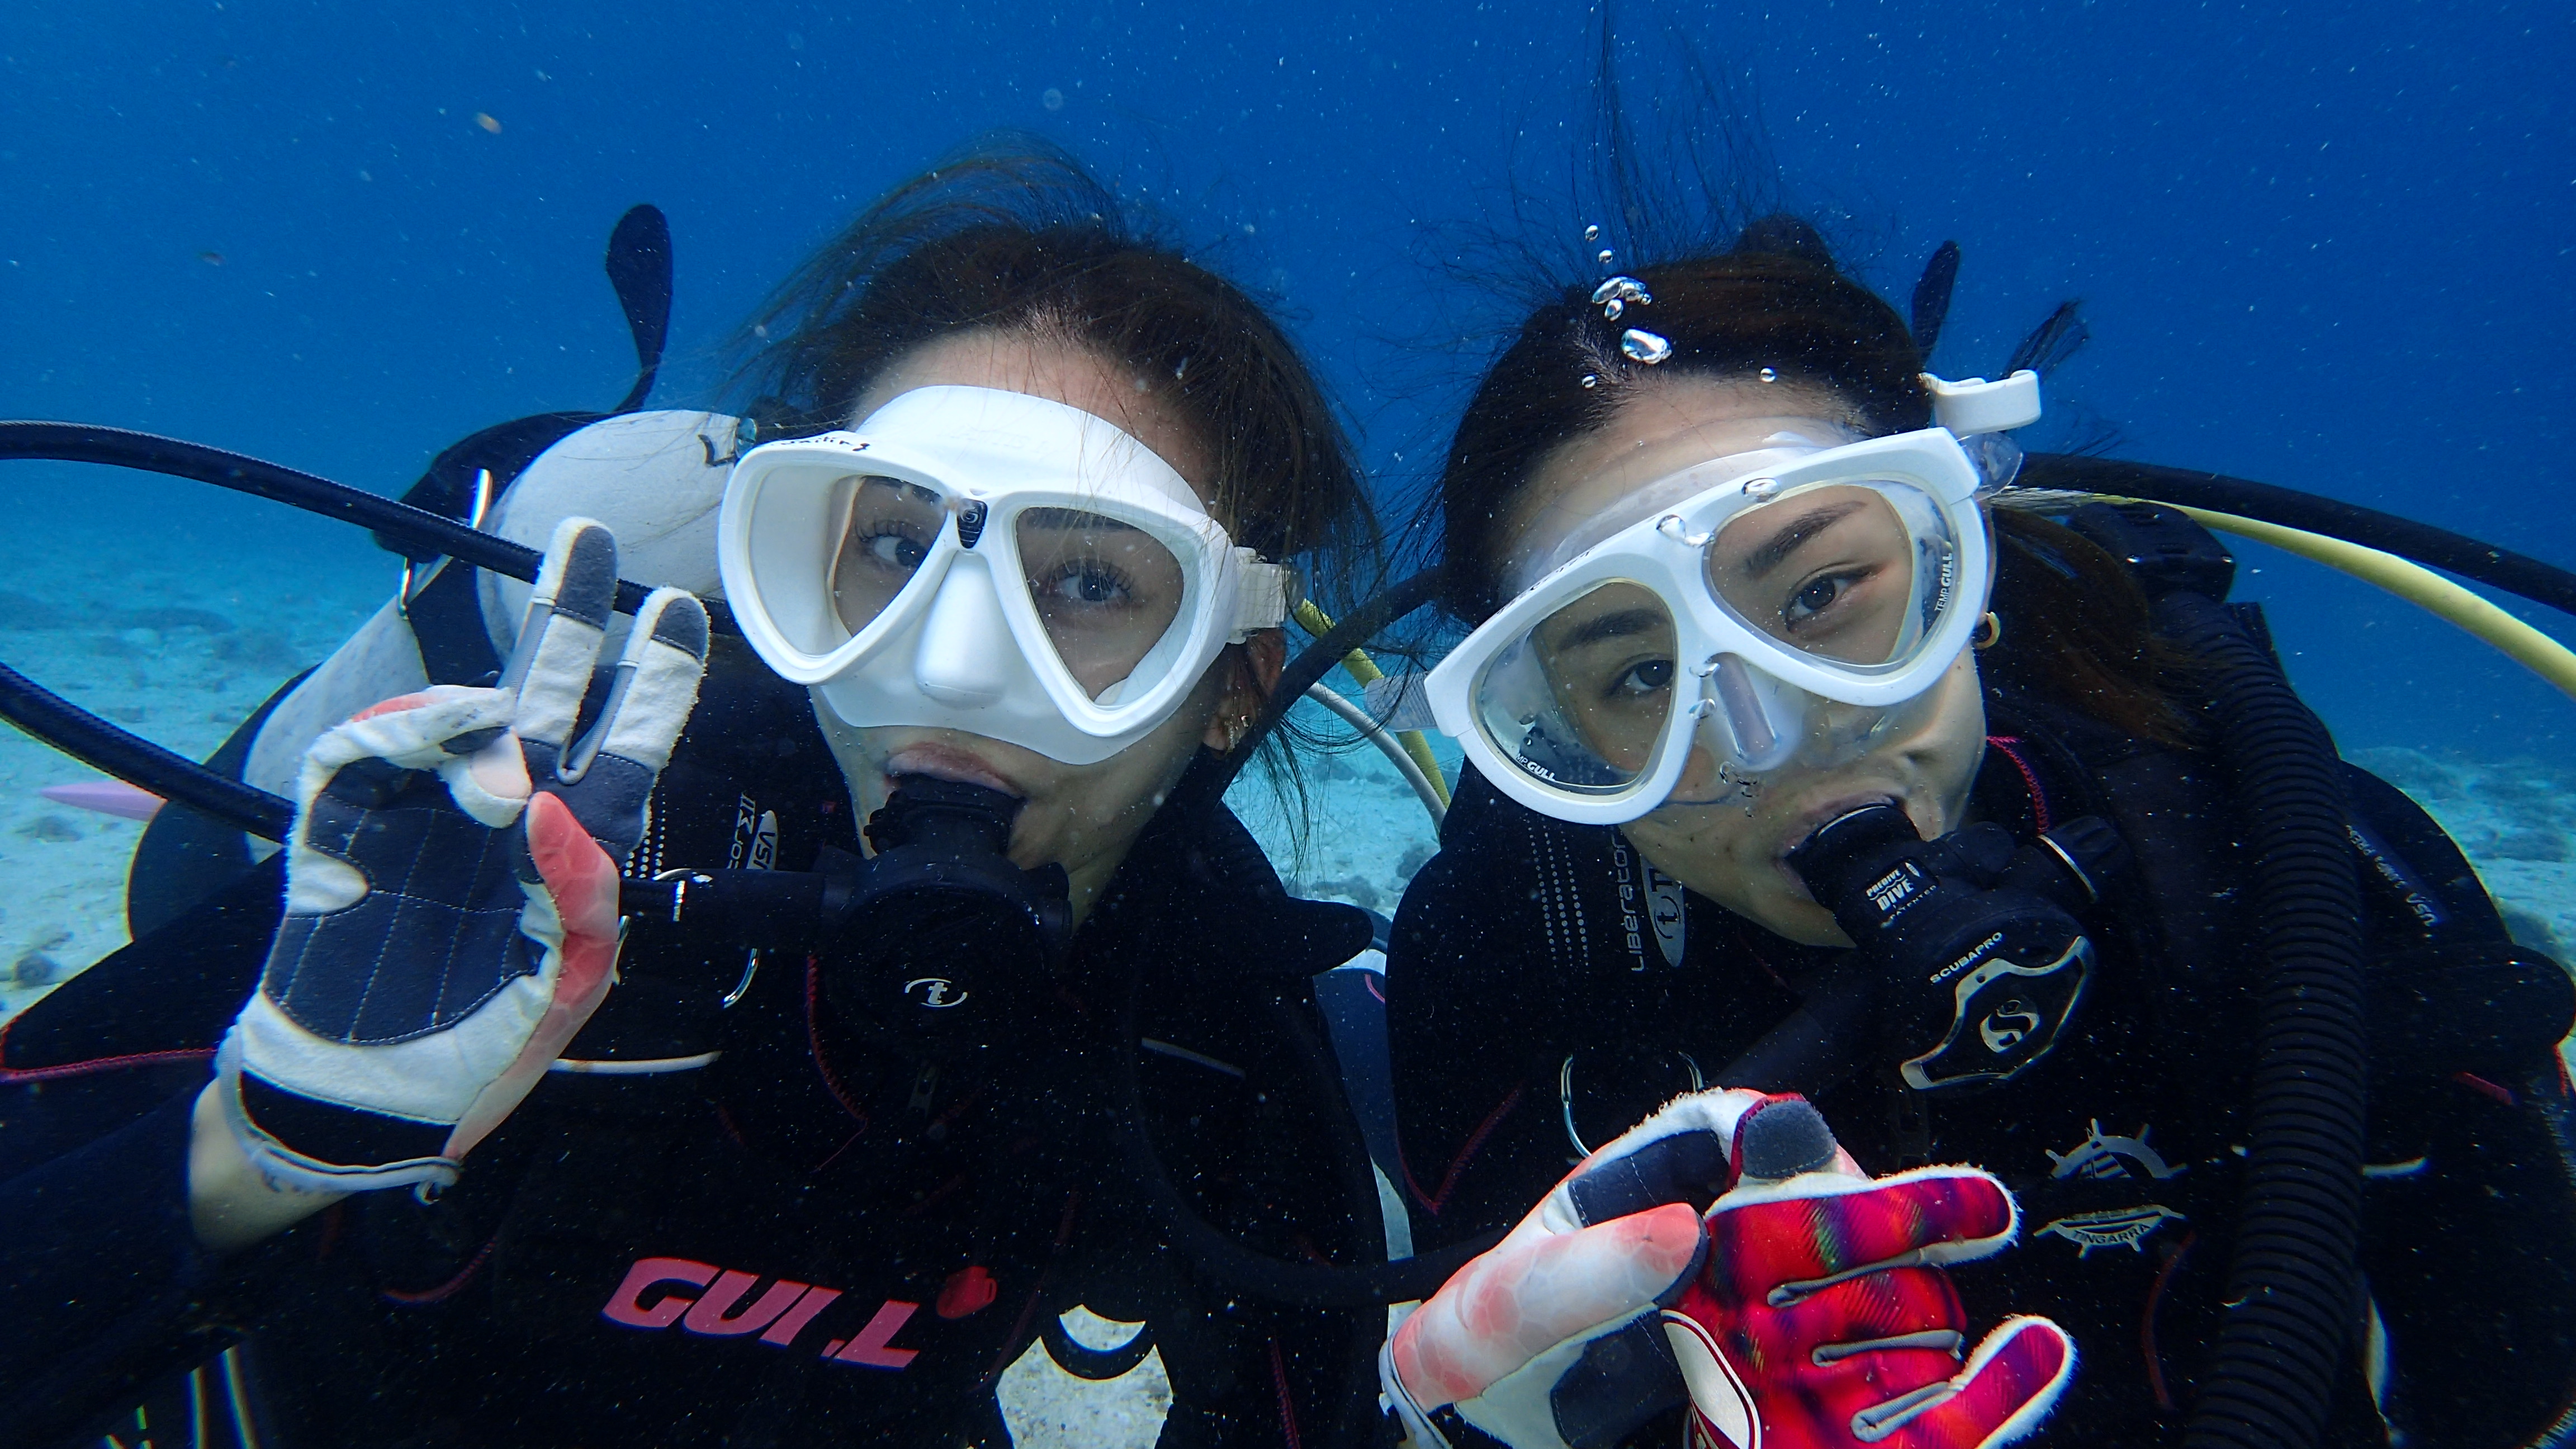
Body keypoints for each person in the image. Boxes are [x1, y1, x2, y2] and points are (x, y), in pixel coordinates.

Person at [0, 144, 1397, 1448]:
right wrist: (255, 1156)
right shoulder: (545, 845)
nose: (951, 672)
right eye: (892, 546)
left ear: (1235, 681)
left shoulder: (1203, 1015)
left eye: (1089, 582)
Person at [1375, 215, 2576, 1448]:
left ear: (1960, 557)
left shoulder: (2276, 858)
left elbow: (2513, 1369)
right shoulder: (1505, 957)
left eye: (1822, 593)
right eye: (1639, 675)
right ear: (1552, 731)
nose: (1768, 741)